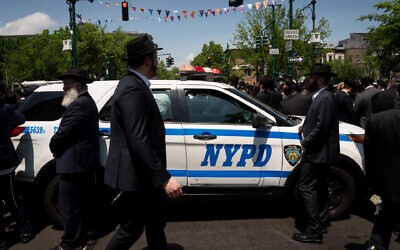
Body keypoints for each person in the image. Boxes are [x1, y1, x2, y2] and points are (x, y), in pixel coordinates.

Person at [104, 34, 182, 250]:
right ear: (148, 59)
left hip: (143, 176)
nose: (158, 61)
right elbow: (138, 138)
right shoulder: (131, 87)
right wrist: (163, 178)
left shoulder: (136, 84)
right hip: (135, 176)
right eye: (156, 57)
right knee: (131, 228)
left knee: (155, 224)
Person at [49, 67, 100, 250]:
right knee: (84, 202)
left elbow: (63, 133)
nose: (63, 89)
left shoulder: (78, 104)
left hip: (74, 163)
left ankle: (69, 242)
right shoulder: (86, 101)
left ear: (78, 86)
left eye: (66, 85)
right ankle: (89, 234)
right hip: (83, 162)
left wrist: (53, 146)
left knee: (69, 206)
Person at [293, 64, 339, 244]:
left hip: (317, 152)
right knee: (319, 186)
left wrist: (306, 142)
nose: (308, 80)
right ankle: (321, 221)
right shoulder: (320, 97)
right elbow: (318, 121)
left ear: (320, 79)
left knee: (305, 186)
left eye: (311, 77)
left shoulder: (326, 98)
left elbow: (322, 126)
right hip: (318, 151)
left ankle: (314, 230)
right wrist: (305, 127)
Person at [364, 84, 400, 250]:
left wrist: (371, 183)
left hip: (386, 184)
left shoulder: (376, 120)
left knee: (382, 225)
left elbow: (370, 157)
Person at [0, 85, 33, 250]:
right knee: (13, 199)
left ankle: (2, 240)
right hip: (4, 162)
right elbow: (21, 119)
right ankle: (25, 231)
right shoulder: (5, 109)